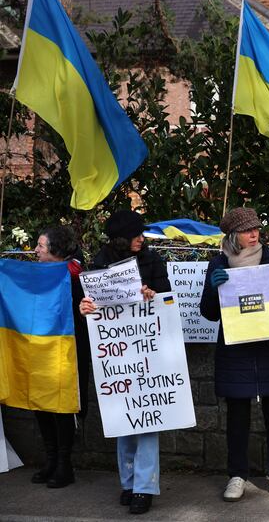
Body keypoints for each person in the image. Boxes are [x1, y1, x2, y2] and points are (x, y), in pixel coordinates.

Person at [198, 207, 269, 503]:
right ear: (232, 235)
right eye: (246, 230)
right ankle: (237, 475)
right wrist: (214, 290)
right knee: (237, 418)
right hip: (235, 353)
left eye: (256, 229)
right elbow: (208, 313)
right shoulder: (218, 263)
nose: (254, 234)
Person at [79, 210, 170, 515]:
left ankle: (145, 487)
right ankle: (129, 483)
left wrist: (153, 295)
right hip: (117, 353)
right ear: (120, 238)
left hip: (147, 348)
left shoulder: (153, 260)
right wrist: (85, 306)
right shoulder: (100, 262)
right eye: (136, 235)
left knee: (148, 421)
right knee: (124, 420)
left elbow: (168, 300)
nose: (141, 239)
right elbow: (93, 305)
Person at [30, 225, 90, 488]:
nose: (35, 250)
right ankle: (51, 459)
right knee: (41, 402)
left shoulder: (76, 277)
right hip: (41, 349)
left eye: (40, 246)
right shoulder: (36, 275)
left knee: (63, 405)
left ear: (55, 250)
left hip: (67, 350)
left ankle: (65, 464)